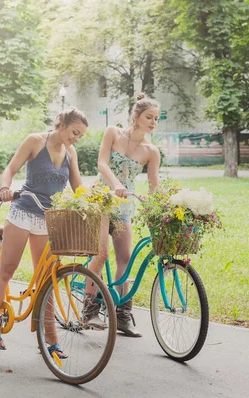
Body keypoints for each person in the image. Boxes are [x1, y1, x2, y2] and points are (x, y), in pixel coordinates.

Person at [0, 107, 88, 358]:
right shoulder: (35, 141)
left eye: (81, 135)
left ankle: (50, 341)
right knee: (7, 270)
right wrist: (5, 188)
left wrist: (93, 200)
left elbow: (78, 186)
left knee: (47, 279)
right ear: (61, 124)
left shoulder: (71, 152)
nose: (76, 138)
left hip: (47, 219)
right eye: (75, 132)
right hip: (23, 213)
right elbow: (9, 169)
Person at [83, 93, 161, 337]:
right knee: (102, 253)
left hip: (124, 205)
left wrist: (160, 203)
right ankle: (90, 308)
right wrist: (116, 184)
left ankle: (122, 315)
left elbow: (153, 185)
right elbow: (102, 164)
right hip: (101, 200)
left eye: (156, 118)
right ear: (136, 116)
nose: (153, 122)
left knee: (125, 258)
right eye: (149, 117)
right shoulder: (113, 133)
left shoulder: (151, 151)